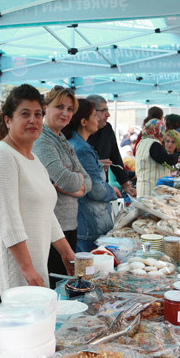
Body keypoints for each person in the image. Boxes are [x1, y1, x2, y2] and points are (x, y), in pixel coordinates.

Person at [0, 84, 75, 292]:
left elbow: (45, 211)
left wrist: (65, 251)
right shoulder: (0, 154)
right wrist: (26, 268)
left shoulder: (33, 159)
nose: (33, 120)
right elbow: (6, 217)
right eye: (25, 114)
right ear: (8, 120)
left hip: (35, 263)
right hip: (15, 269)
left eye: (38, 114)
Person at [32, 86, 91, 287]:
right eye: (59, 107)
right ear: (45, 108)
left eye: (69, 109)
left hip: (68, 226)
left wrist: (78, 186)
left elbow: (86, 179)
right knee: (57, 285)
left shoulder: (61, 138)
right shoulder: (42, 139)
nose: (65, 113)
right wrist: (76, 181)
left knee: (65, 283)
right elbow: (65, 179)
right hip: (53, 231)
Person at [64, 99, 120, 252]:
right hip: (90, 224)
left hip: (85, 223)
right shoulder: (82, 149)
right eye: (95, 116)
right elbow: (96, 190)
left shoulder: (76, 144)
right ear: (83, 121)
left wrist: (97, 165)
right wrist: (112, 190)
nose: (98, 119)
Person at [86, 95, 136, 197]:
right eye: (104, 110)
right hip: (84, 191)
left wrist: (126, 184)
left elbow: (115, 157)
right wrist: (96, 165)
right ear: (90, 113)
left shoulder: (107, 128)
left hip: (101, 188)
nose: (108, 114)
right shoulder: (77, 138)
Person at [135, 119, 180, 197]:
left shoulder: (141, 143)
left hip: (143, 188)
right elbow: (167, 160)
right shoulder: (154, 144)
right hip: (152, 189)